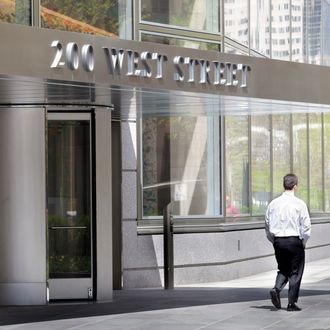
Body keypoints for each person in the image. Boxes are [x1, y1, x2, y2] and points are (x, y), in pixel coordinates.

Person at [265, 173, 311, 312]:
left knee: (283, 268)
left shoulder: (273, 204)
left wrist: (274, 240)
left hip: (278, 241)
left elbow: (267, 224)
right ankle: (291, 303)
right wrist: (303, 241)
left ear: (283, 185)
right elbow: (306, 226)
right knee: (295, 272)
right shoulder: (299, 204)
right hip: (294, 240)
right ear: (295, 186)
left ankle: (276, 288)